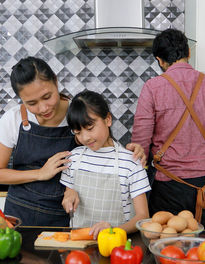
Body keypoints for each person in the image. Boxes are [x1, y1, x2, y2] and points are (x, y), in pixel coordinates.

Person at [0, 57, 146, 227]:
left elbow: (103, 144)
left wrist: (132, 153)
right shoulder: (13, 118)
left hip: (62, 213)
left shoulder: (76, 114)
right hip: (19, 212)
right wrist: (39, 173)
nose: (43, 108)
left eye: (47, 96)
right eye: (31, 103)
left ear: (56, 81)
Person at [131, 29, 205, 229]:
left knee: (167, 251)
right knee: (204, 251)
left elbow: (140, 144)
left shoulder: (153, 87)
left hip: (167, 186)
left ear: (160, 60)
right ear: (188, 52)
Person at [60, 90, 150, 238]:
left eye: (90, 128)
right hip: (79, 243)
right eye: (77, 132)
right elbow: (68, 190)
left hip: (117, 244)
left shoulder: (131, 162)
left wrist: (113, 230)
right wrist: (69, 195)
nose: (85, 137)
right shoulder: (74, 157)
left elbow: (142, 217)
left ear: (108, 119)